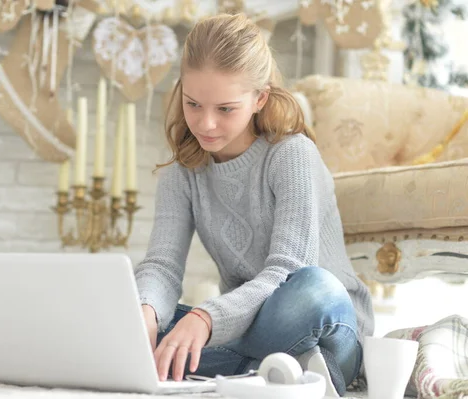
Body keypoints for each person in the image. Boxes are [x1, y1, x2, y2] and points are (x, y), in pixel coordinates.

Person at [134, 13, 374, 397]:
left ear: (260, 97)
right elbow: (162, 265)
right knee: (132, 312)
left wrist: (205, 318)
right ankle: (270, 371)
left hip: (327, 326)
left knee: (313, 287)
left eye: (225, 109)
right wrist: (144, 313)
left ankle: (231, 365)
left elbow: (287, 270)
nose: (205, 124)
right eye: (193, 104)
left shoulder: (291, 155)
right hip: (249, 329)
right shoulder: (182, 172)